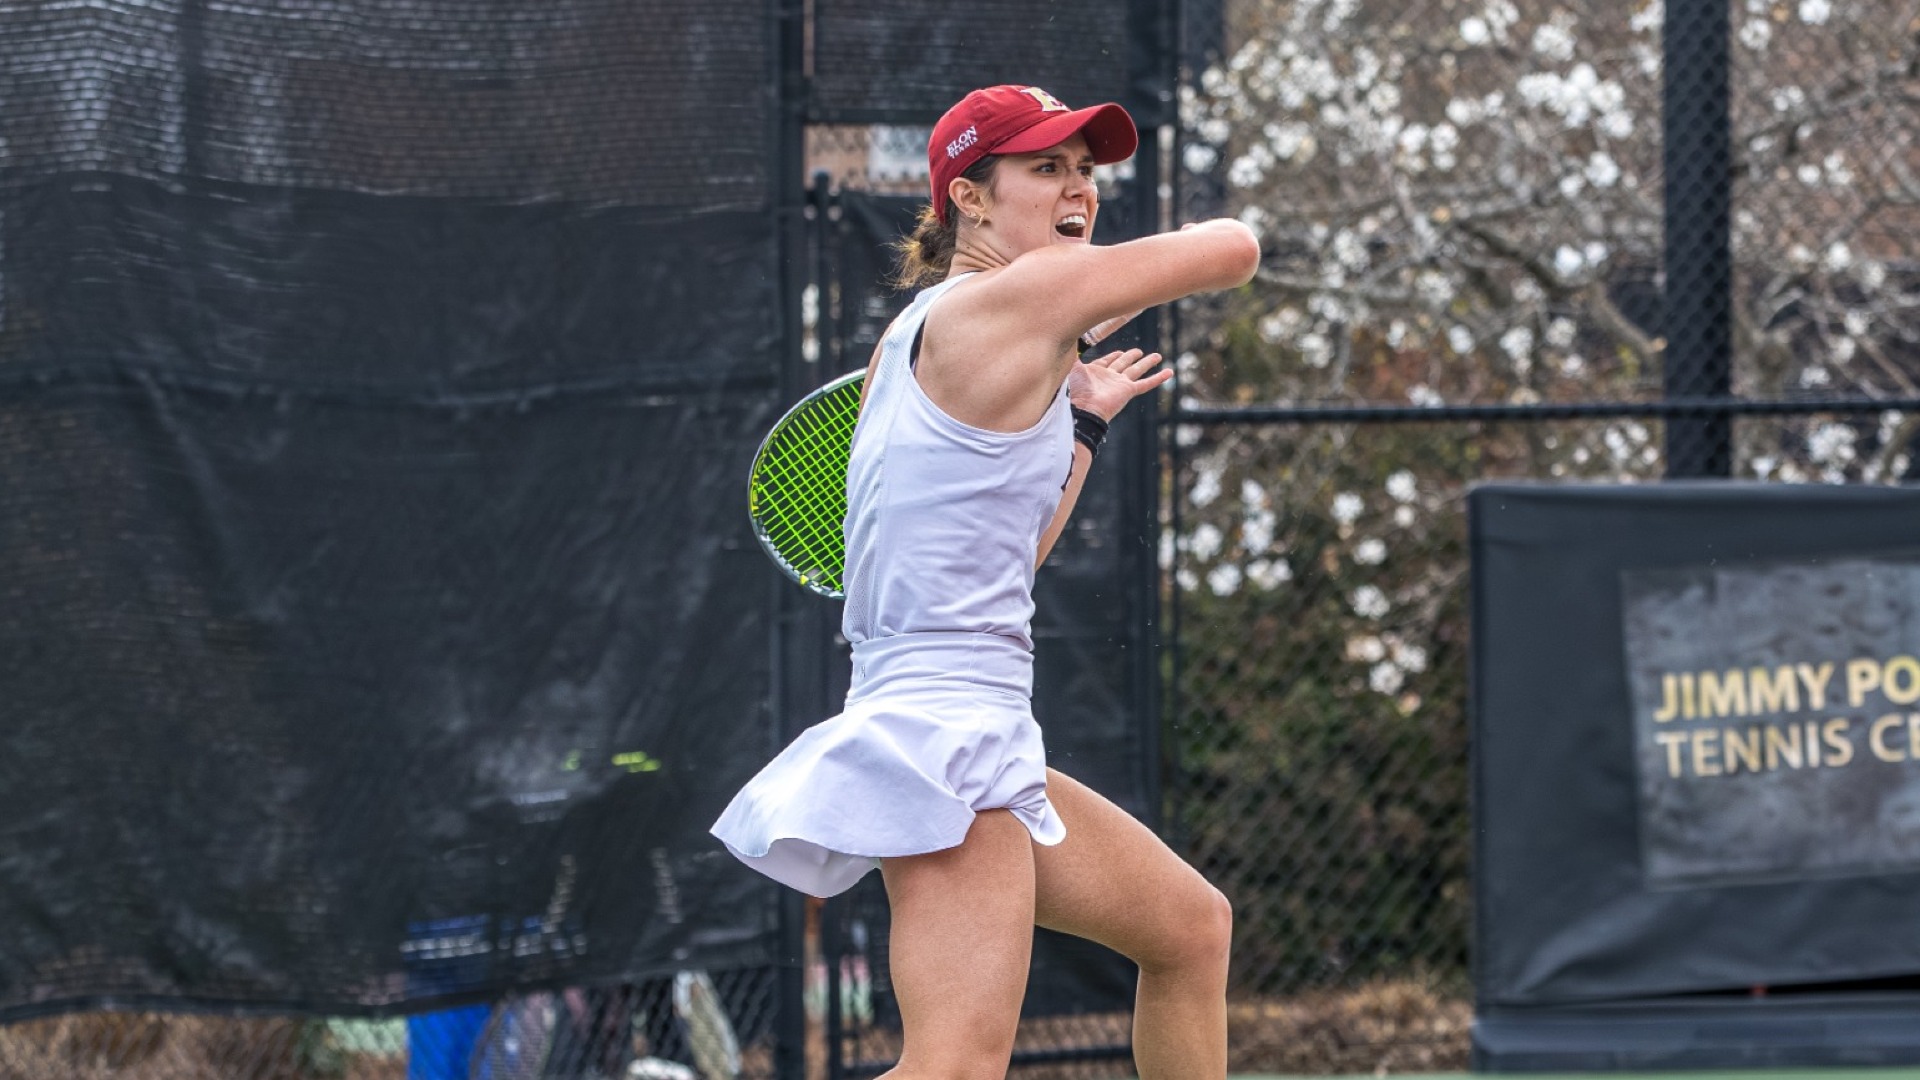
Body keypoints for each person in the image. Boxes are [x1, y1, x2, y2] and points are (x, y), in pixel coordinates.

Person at [713, 84, 1260, 1079]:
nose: (1079, 190)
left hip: (960, 721)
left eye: (1086, 171)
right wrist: (1104, 294)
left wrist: (1082, 426)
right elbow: (1232, 249)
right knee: (957, 1066)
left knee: (1189, 929)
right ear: (967, 197)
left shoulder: (914, 335)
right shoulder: (1016, 299)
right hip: (943, 738)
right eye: (1045, 168)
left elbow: (1013, 553)